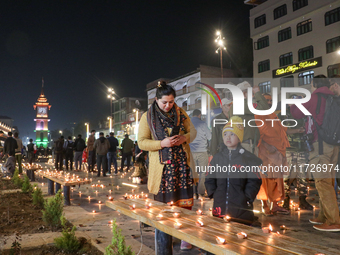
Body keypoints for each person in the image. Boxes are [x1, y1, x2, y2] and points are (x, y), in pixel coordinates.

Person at [138, 80, 197, 251]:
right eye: (164, 102)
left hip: (181, 165)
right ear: (156, 100)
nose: (168, 105)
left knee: (185, 201)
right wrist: (161, 143)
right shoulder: (147, 116)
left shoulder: (180, 112)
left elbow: (192, 131)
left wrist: (185, 138)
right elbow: (142, 142)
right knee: (164, 206)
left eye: (171, 101)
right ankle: (165, 239)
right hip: (163, 169)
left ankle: (185, 235)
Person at [291, 75, 340, 231]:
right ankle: (324, 216)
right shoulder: (333, 99)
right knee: (327, 181)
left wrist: (295, 100)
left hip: (320, 147)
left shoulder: (314, 98)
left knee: (322, 182)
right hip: (333, 146)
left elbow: (296, 113)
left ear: (314, 85)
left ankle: (333, 221)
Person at [205, 116, 262, 225]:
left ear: (239, 137)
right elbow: (209, 177)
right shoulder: (217, 158)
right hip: (219, 206)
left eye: (232, 134)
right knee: (220, 234)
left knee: (239, 236)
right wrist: (213, 193)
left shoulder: (247, 158)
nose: (228, 138)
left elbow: (254, 180)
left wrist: (247, 197)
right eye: (225, 134)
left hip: (241, 208)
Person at [255, 94, 304, 215]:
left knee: (277, 179)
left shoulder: (273, 115)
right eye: (267, 100)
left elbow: (283, 130)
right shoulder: (258, 115)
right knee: (265, 179)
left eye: (271, 100)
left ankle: (275, 205)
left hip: (277, 153)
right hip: (265, 153)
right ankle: (265, 205)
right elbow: (259, 135)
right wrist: (268, 146)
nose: (270, 102)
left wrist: (298, 130)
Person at [229, 81, 268, 155]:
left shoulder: (238, 105)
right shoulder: (242, 104)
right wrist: (257, 92)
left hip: (244, 144)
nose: (253, 95)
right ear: (244, 94)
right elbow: (264, 108)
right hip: (246, 145)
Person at [190, 109, 211, 200]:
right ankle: (201, 192)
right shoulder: (203, 124)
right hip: (202, 151)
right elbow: (210, 137)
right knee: (202, 172)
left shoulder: (188, 124)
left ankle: (193, 192)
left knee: (192, 172)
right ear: (199, 115)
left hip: (191, 152)